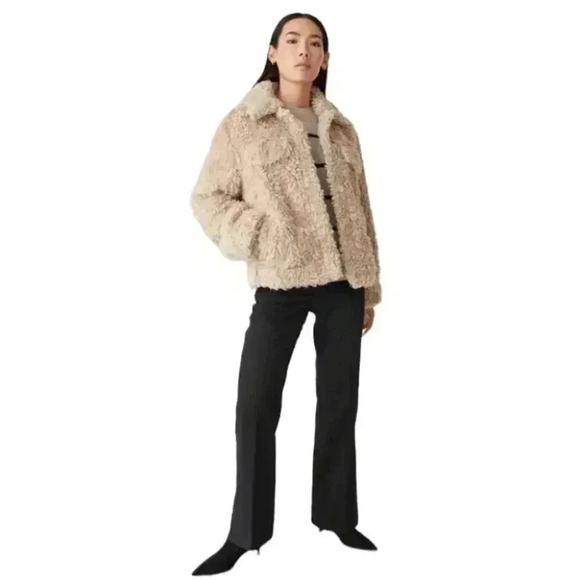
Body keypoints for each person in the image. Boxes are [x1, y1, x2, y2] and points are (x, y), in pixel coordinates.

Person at [190, 12, 381, 576]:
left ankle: (336, 516)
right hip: (282, 279)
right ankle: (245, 535)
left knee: (339, 403)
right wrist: (261, 235)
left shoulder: (341, 127)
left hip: (343, 281)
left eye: (315, 43)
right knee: (255, 406)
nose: (304, 51)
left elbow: (360, 209)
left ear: (325, 58)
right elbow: (208, 198)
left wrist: (368, 287)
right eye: (292, 41)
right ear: (273, 52)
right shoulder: (243, 123)